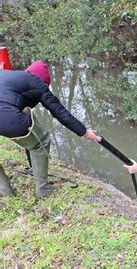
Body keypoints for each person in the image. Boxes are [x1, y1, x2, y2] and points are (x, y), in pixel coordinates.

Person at [0, 61, 99, 198]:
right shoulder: (38, 84)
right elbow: (60, 112)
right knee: (40, 143)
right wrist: (84, 131)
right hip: (6, 115)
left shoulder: (10, 76)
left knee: (24, 115)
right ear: (44, 80)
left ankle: (4, 190)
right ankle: (43, 188)